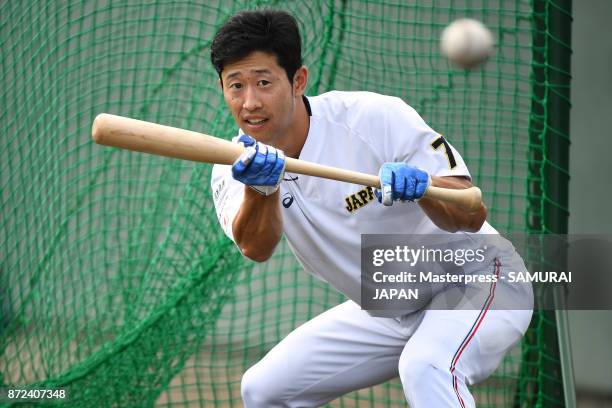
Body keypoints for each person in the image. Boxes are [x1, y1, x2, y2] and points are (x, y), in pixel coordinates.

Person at [210, 9, 532, 408]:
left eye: (263, 82)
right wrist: (262, 189)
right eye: (235, 85)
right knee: (263, 390)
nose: (250, 102)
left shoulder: (373, 116)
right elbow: (256, 247)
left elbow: (471, 213)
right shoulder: (233, 164)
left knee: (426, 366)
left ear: (298, 81)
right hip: (389, 307)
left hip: (480, 279)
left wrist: (425, 189)